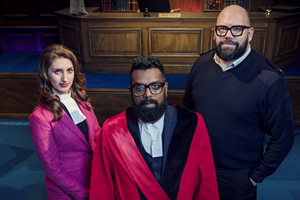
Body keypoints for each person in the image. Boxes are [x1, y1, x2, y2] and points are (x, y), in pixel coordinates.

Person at [183, 5, 295, 200]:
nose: (228, 35)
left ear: (249, 34)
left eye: (237, 29)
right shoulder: (200, 65)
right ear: (214, 33)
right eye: (222, 29)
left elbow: (283, 138)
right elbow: (188, 113)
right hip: (199, 168)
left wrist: (254, 177)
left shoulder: (269, 79)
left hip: (238, 178)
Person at [89, 56, 219, 199]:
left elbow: (206, 186)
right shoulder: (112, 130)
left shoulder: (193, 124)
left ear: (166, 89)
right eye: (139, 88)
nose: (148, 94)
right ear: (131, 91)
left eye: (155, 86)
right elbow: (101, 189)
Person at [29, 44, 101, 200]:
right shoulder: (40, 117)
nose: (65, 78)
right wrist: (82, 194)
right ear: (46, 74)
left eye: (69, 70)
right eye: (57, 72)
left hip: (95, 179)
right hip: (68, 191)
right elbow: (52, 168)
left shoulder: (81, 98)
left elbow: (97, 135)